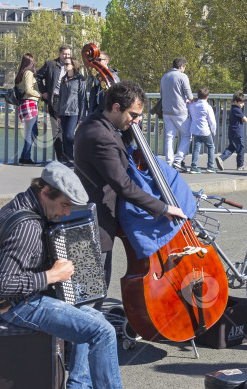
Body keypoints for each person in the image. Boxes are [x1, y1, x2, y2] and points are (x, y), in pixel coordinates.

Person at [0, 161, 155, 389]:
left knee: (89, 311)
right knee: (101, 330)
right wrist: (53, 276)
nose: (66, 213)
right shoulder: (27, 226)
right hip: (19, 305)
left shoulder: (19, 203)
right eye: (63, 205)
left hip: (29, 297)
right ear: (46, 191)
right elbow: (3, 285)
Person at [73, 80, 186, 304]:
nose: (137, 121)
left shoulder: (102, 124)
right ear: (116, 107)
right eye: (133, 115)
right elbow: (123, 185)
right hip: (93, 222)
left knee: (94, 290)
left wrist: (132, 127)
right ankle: (84, 337)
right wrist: (163, 207)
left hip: (99, 218)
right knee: (91, 292)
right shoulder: (100, 136)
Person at [37, 45, 71, 162]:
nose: (66, 56)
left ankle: (68, 156)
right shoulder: (50, 64)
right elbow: (38, 76)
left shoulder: (72, 65)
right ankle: (61, 157)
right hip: (55, 99)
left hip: (68, 101)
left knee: (67, 130)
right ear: (59, 54)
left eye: (68, 54)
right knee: (57, 129)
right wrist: (44, 91)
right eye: (64, 54)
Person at [160, 57, 193, 170]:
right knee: (187, 134)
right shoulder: (182, 76)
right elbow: (189, 95)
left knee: (170, 136)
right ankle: (178, 159)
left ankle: (169, 162)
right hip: (179, 111)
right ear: (181, 67)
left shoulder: (165, 76)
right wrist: (191, 100)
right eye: (184, 67)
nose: (184, 69)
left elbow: (161, 94)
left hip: (166, 111)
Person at [56, 57, 87, 164]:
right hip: (63, 112)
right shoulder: (64, 79)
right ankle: (70, 159)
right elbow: (60, 97)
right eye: (64, 64)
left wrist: (82, 116)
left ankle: (84, 147)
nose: (64, 66)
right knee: (65, 136)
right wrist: (58, 115)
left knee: (69, 135)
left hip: (74, 111)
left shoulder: (80, 79)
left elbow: (83, 98)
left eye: (67, 64)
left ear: (73, 65)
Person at [14, 52, 41, 165]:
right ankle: (25, 158)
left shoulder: (21, 73)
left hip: (25, 104)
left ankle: (24, 157)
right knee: (31, 133)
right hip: (30, 103)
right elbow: (28, 90)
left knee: (32, 132)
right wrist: (40, 94)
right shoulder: (28, 73)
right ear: (31, 62)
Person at [215, 91, 247, 171]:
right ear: (235, 102)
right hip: (237, 132)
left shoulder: (232, 108)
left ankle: (221, 158)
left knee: (232, 147)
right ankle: (240, 165)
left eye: (243, 102)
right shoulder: (237, 109)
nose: (242, 104)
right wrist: (246, 118)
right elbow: (245, 119)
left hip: (232, 131)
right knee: (241, 147)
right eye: (241, 102)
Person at [188, 87, 217, 174]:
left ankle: (193, 167)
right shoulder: (208, 107)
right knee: (211, 147)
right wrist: (213, 131)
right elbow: (212, 121)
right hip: (205, 131)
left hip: (195, 130)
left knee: (196, 148)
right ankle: (210, 166)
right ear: (207, 97)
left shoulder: (192, 106)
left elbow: (188, 106)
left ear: (197, 96)